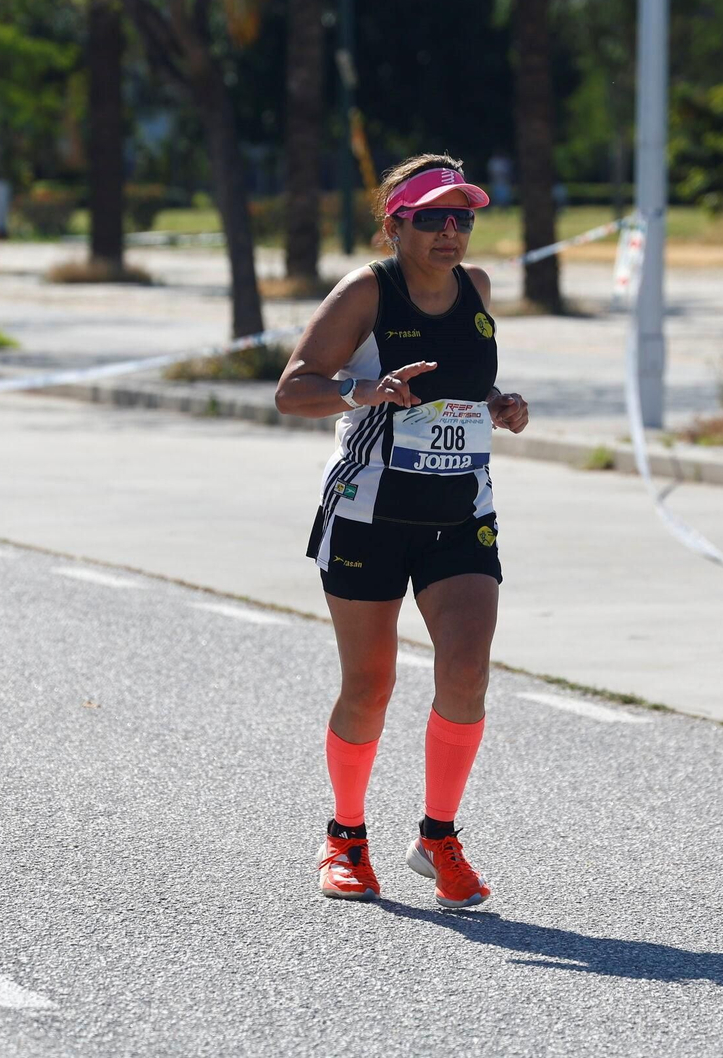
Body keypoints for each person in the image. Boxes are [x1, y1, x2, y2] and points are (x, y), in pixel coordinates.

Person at [274, 154, 530, 909]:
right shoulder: (367, 291)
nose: (450, 231)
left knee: (467, 670)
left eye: (462, 217)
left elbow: (461, 379)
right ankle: (346, 836)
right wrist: (365, 390)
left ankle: (437, 836)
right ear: (396, 225)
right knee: (371, 684)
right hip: (370, 512)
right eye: (432, 218)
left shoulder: (476, 288)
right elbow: (293, 390)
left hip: (460, 510)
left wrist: (497, 402)